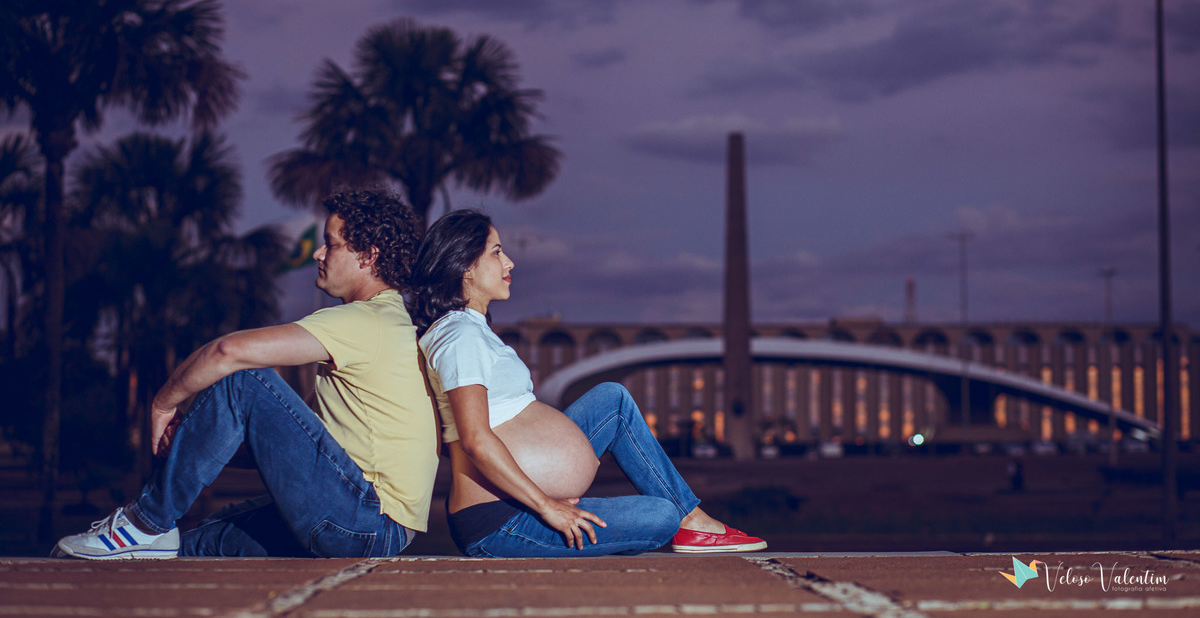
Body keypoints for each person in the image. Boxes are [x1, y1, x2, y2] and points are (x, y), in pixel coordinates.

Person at [54, 188, 439, 559]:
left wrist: (161, 404)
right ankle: (147, 540)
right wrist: (195, 434)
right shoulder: (390, 321)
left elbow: (228, 352)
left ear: (368, 256)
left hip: (364, 520)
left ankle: (145, 522)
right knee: (194, 543)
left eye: (331, 243)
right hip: (368, 525)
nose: (319, 253)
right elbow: (283, 445)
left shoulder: (366, 320)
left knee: (246, 380)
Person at [408, 209, 766, 557]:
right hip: (501, 522)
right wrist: (546, 504)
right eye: (497, 252)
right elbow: (473, 439)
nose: (510, 263)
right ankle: (686, 521)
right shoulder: (459, 335)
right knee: (660, 517)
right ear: (465, 266)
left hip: (519, 502)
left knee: (612, 399)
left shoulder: (472, 330)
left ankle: (694, 520)